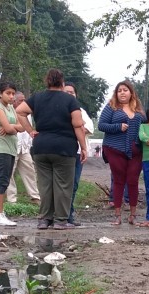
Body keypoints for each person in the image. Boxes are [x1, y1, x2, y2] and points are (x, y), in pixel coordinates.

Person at [15, 68, 88, 230]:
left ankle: (44, 219)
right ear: (62, 83)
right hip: (64, 147)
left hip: (41, 146)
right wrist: (83, 147)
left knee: (45, 184)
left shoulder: (37, 98)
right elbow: (77, 125)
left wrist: (30, 130)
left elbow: (20, 111)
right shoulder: (70, 100)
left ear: (47, 81)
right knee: (63, 184)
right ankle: (60, 220)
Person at [98, 80, 145, 225]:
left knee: (133, 181)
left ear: (131, 92)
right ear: (116, 94)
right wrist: (118, 127)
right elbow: (101, 125)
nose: (122, 93)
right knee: (119, 180)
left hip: (136, 151)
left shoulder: (138, 109)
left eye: (125, 90)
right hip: (115, 149)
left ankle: (133, 215)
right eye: (119, 91)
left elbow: (146, 125)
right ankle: (118, 216)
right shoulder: (111, 107)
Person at [0, 80, 22, 227]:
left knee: (6, 180)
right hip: (1, 147)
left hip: (11, 147)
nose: (11, 96)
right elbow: (8, 130)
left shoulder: (10, 107)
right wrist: (11, 128)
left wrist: (12, 126)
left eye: (13, 94)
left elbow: (21, 126)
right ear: (0, 93)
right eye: (8, 93)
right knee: (2, 180)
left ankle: (1, 213)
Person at [64, 82, 94, 226]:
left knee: (74, 184)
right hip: (63, 152)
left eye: (72, 92)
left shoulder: (80, 110)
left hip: (78, 152)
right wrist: (78, 127)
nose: (69, 94)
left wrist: (77, 127)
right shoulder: (58, 109)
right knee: (63, 184)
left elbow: (89, 127)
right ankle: (59, 214)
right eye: (66, 92)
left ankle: (69, 213)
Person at [5, 92, 41, 205]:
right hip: (12, 147)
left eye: (24, 100)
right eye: (21, 100)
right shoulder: (8, 111)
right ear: (14, 101)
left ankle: (35, 197)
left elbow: (28, 130)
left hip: (24, 148)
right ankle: (11, 199)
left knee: (29, 171)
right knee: (9, 173)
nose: (23, 102)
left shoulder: (27, 114)